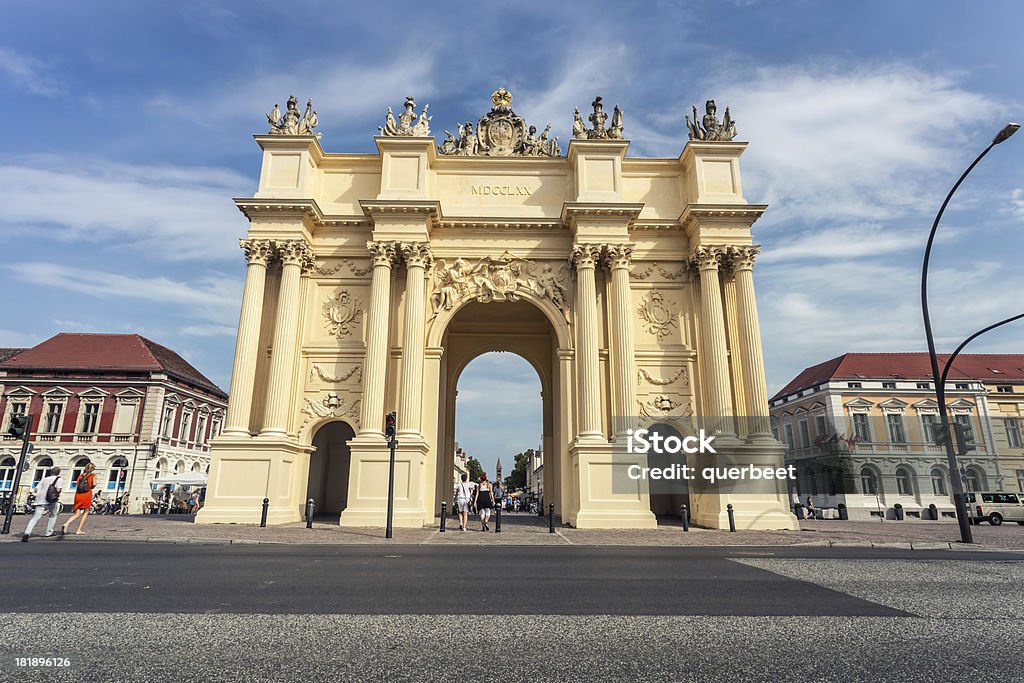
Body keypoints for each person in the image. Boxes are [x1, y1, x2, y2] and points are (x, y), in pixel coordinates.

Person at [22, 467, 63, 541]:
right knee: (52, 516)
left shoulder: (44, 479)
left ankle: (27, 533)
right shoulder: (59, 479)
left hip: (40, 500)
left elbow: (36, 489)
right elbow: (58, 489)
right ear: (58, 473)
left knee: (35, 518)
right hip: (50, 500)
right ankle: (49, 532)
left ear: (51, 472)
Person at [62, 463, 96, 535]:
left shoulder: (80, 475)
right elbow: (94, 484)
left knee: (77, 513)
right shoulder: (93, 475)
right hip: (86, 494)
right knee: (85, 512)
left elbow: (77, 484)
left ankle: (67, 523)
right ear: (93, 469)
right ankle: (79, 529)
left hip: (78, 495)